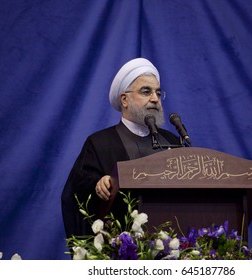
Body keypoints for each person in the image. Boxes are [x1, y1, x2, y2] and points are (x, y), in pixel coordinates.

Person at [61, 58, 181, 238]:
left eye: (158, 92)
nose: (155, 99)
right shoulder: (100, 143)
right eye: (146, 91)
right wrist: (98, 184)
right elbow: (75, 192)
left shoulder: (171, 141)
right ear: (124, 100)